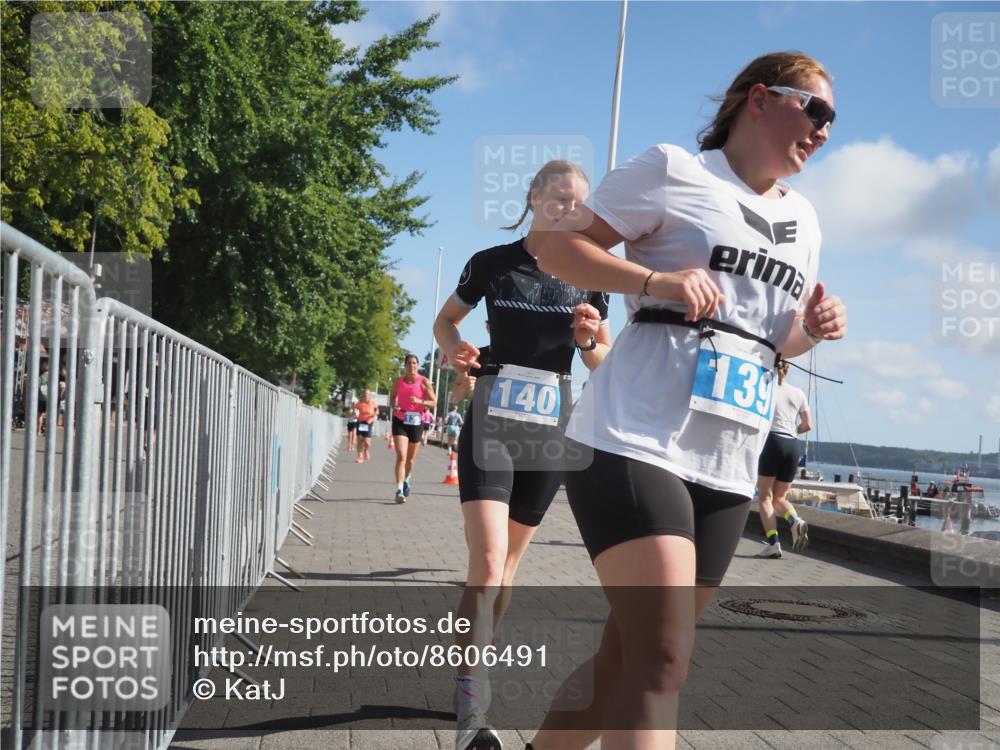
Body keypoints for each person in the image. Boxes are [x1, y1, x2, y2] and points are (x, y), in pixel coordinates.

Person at [522, 52, 847, 750]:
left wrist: (811, 330)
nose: (823, 131)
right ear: (759, 99)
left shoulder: (808, 223)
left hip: (729, 461)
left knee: (626, 660)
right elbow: (557, 251)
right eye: (814, 110)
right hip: (634, 437)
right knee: (663, 657)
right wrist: (655, 282)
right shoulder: (678, 169)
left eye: (833, 121)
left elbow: (776, 340)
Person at [433, 159, 611, 750]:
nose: (568, 210)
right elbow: (446, 323)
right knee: (485, 563)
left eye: (578, 204)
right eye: (558, 198)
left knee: (508, 568)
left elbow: (599, 363)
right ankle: (471, 701)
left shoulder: (591, 275)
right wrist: (457, 351)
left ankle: (473, 662)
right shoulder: (492, 263)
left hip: (550, 430)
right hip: (490, 422)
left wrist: (588, 339)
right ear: (534, 197)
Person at [754, 359, 812, 558]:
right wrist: (791, 431)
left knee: (765, 497)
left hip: (772, 440)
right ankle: (795, 520)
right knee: (780, 498)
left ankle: (773, 543)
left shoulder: (766, 389)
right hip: (792, 444)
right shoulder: (798, 393)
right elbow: (807, 425)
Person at [389, 354, 436, 503]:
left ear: (418, 365)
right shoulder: (398, 381)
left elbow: (433, 403)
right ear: (405, 365)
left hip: (416, 420)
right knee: (401, 456)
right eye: (409, 363)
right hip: (400, 419)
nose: (412, 366)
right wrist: (393, 405)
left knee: (410, 459)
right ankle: (399, 489)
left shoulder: (424, 382)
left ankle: (407, 478)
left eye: (415, 363)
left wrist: (419, 401)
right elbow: (392, 398)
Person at [353, 389, 378, 463]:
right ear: (363, 395)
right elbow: (355, 409)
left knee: (367, 442)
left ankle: (366, 450)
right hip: (360, 422)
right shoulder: (359, 403)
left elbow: (377, 410)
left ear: (370, 395)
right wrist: (355, 412)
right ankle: (359, 457)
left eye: (367, 394)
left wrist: (375, 414)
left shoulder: (373, 403)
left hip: (368, 423)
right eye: (364, 394)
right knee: (360, 439)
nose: (366, 395)